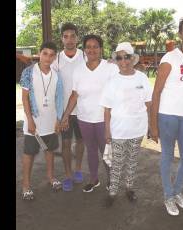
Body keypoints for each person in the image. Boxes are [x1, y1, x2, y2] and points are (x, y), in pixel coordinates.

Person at [150, 17, 183, 216]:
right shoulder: (170, 57)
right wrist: (152, 124)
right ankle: (168, 196)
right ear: (180, 34)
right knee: (167, 156)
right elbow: (156, 92)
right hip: (167, 115)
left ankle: (176, 191)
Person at [61, 34, 118, 193]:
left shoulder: (110, 67)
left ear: (101, 49)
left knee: (106, 151)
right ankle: (94, 179)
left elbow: (119, 89)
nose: (92, 50)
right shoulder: (79, 70)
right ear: (84, 49)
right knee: (91, 151)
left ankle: (112, 180)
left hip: (104, 119)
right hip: (84, 118)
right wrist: (65, 116)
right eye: (88, 47)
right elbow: (74, 95)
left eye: (95, 46)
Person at [100, 42, 153, 206]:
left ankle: (129, 188)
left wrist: (151, 126)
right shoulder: (112, 81)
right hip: (118, 130)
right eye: (119, 58)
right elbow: (107, 109)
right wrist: (107, 131)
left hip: (138, 129)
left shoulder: (142, 78)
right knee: (117, 163)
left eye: (126, 57)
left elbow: (149, 104)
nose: (123, 61)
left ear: (132, 58)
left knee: (132, 161)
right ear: (116, 60)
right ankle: (112, 193)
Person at [19, 41, 64, 200]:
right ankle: (26, 186)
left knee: (49, 150)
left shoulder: (56, 75)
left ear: (55, 57)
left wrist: (58, 119)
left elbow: (58, 99)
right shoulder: (29, 72)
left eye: (52, 55)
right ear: (40, 53)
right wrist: (30, 120)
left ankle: (51, 177)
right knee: (29, 153)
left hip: (51, 122)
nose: (48, 57)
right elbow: (24, 99)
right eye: (45, 53)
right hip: (34, 123)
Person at [51, 22, 86, 192]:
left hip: (83, 110)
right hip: (64, 111)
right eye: (66, 36)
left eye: (73, 36)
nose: (69, 39)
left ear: (77, 38)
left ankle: (78, 169)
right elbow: (52, 87)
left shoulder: (85, 56)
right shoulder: (56, 59)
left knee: (80, 141)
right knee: (65, 143)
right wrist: (59, 114)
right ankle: (67, 175)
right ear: (62, 39)